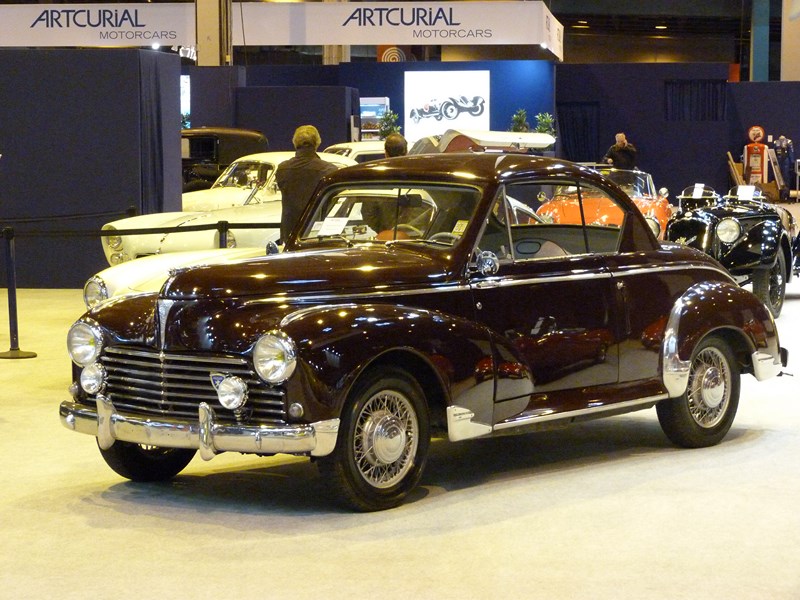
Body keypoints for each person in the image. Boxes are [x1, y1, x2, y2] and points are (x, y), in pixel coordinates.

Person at [276, 125, 338, 243]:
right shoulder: (329, 170)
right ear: (317, 143)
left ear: (295, 143)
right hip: (317, 232)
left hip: (289, 232)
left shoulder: (282, 169)